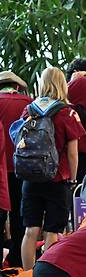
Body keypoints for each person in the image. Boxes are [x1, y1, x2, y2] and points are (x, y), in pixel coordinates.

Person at [20, 67, 86, 270]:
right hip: (57, 179)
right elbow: (73, 153)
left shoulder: (30, 110)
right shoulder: (67, 112)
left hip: (30, 177)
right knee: (51, 231)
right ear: (63, 84)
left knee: (31, 230)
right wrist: (73, 179)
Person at [0, 71, 32, 267]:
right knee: (22, 215)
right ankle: (18, 259)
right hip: (25, 167)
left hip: (2, 170)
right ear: (18, 86)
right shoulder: (29, 103)